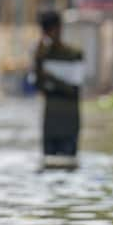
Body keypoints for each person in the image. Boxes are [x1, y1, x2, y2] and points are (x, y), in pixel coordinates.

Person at [34, 10, 84, 169]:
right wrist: (38, 61)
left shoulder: (74, 54)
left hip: (69, 122)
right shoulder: (43, 55)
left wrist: (51, 77)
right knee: (48, 167)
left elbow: (74, 89)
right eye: (48, 31)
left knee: (69, 167)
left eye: (53, 29)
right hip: (50, 123)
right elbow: (38, 86)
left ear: (60, 28)